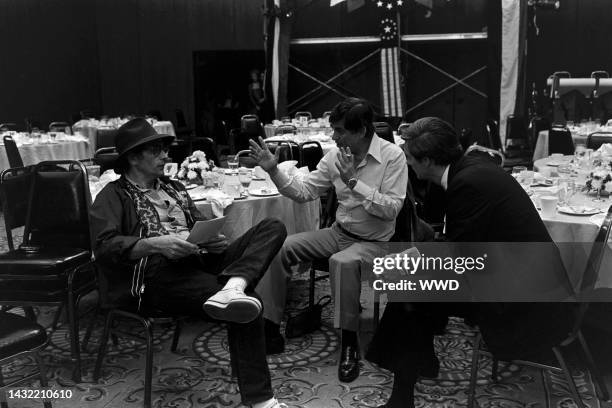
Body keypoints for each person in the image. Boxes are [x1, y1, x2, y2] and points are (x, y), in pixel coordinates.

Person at [366, 117, 576, 407]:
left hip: (527, 303)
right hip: (529, 279)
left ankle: (403, 391)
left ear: (427, 160)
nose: (408, 165)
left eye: (411, 159)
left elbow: (460, 255)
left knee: (409, 293)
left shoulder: (469, 183)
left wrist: (406, 261)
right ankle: (417, 365)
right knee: (416, 289)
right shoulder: (472, 165)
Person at [90, 118, 288, 408]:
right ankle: (261, 401)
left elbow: (196, 226)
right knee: (248, 303)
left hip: (196, 262)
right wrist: (154, 244)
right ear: (132, 158)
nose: (165, 156)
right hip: (155, 278)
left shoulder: (174, 187)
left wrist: (211, 239)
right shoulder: (114, 195)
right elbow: (104, 247)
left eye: (163, 149)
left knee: (272, 226)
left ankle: (234, 284)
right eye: (155, 150)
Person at [249, 98, 408, 382]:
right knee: (279, 248)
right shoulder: (335, 156)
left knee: (341, 262)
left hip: (375, 242)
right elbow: (303, 192)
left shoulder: (393, 157)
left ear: (360, 131)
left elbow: (391, 210)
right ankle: (270, 326)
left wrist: (353, 183)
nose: (334, 137)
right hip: (338, 233)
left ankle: (349, 343)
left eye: (339, 131)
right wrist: (273, 169)